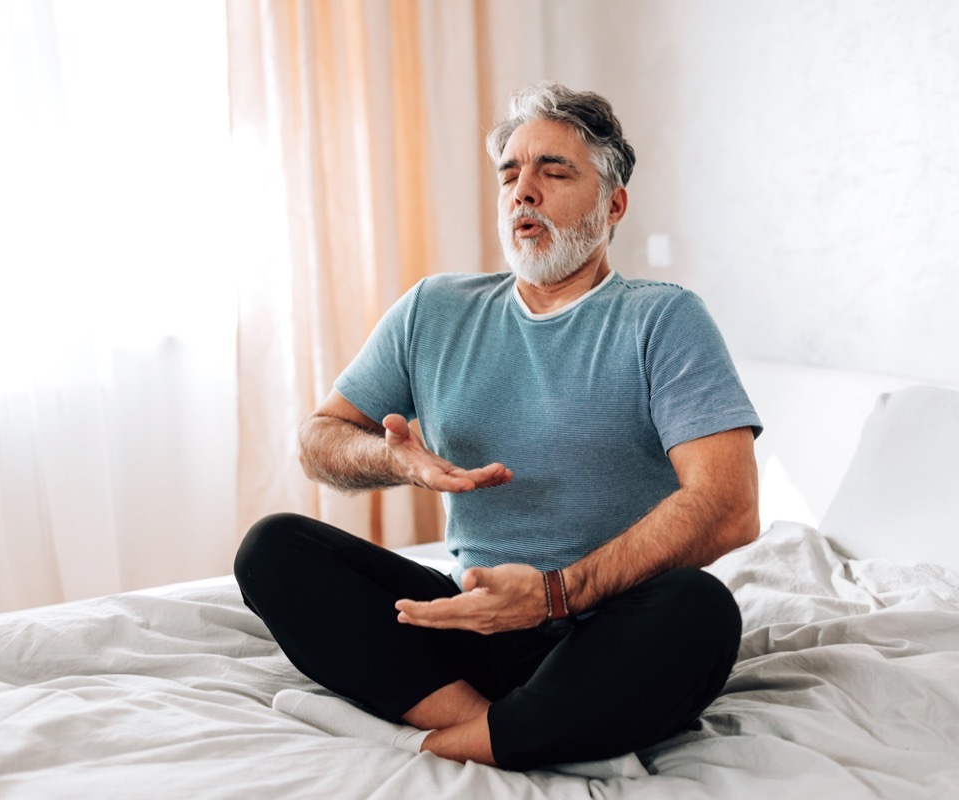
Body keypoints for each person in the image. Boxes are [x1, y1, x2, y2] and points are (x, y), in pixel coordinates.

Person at [234, 81, 762, 772]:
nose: (523, 192)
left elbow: (730, 505)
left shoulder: (663, 319)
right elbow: (318, 439)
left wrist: (553, 595)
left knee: (701, 609)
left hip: (603, 629)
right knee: (273, 548)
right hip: (470, 623)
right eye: (510, 174)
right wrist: (397, 462)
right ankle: (488, 728)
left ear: (613, 205)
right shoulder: (434, 309)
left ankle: (447, 742)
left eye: (554, 171)